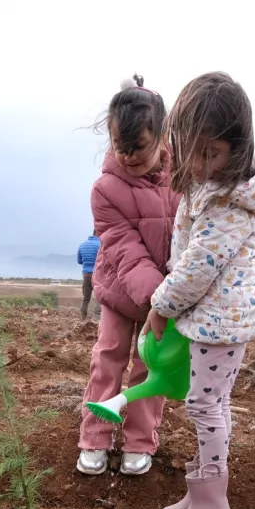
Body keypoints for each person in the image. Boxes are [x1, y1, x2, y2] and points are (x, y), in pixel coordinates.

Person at [145, 72, 255, 509]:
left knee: (205, 404)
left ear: (237, 147)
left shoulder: (231, 202)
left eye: (212, 153)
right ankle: (201, 490)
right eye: (193, 151)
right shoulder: (217, 185)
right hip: (219, 314)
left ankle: (212, 503)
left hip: (221, 319)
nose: (200, 164)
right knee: (212, 401)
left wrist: (162, 305)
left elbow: (198, 267)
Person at [77, 74, 180, 477]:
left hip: (167, 296)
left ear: (162, 136)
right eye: (120, 145)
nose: (127, 156)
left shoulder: (184, 179)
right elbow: (123, 247)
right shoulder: (105, 189)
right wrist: (159, 299)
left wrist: (172, 298)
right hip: (121, 292)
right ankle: (95, 437)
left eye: (139, 147)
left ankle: (139, 441)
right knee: (109, 358)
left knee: (151, 368)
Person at [76, 231, 101, 321]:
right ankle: (96, 317)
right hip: (97, 273)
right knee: (100, 298)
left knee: (86, 298)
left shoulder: (82, 245)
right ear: (98, 233)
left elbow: (79, 261)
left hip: (86, 274)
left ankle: (83, 318)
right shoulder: (101, 245)